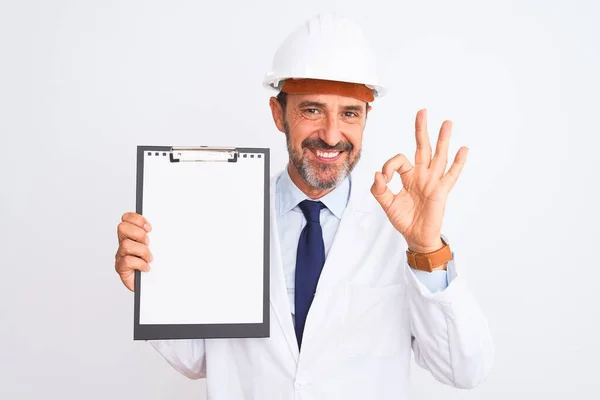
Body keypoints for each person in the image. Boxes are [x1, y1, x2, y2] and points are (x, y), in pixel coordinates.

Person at [114, 12, 493, 399]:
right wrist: (152, 286)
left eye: (349, 113)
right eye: (312, 110)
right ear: (279, 115)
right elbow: (196, 360)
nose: (331, 135)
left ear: (365, 118)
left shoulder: (402, 235)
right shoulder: (223, 215)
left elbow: (463, 369)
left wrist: (427, 249)